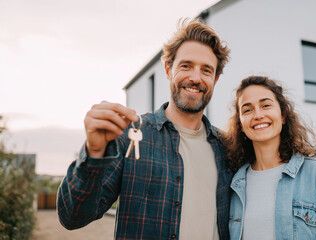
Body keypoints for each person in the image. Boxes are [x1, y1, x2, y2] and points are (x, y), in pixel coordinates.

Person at [57, 18, 232, 240]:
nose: (195, 78)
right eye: (186, 66)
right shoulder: (129, 137)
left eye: (206, 70)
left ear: (215, 79)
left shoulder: (228, 149)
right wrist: (93, 152)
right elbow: (72, 217)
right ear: (168, 69)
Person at [225, 76, 316, 240]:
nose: (258, 115)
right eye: (247, 110)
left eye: (266, 105)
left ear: (283, 115)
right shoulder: (234, 183)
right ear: (241, 124)